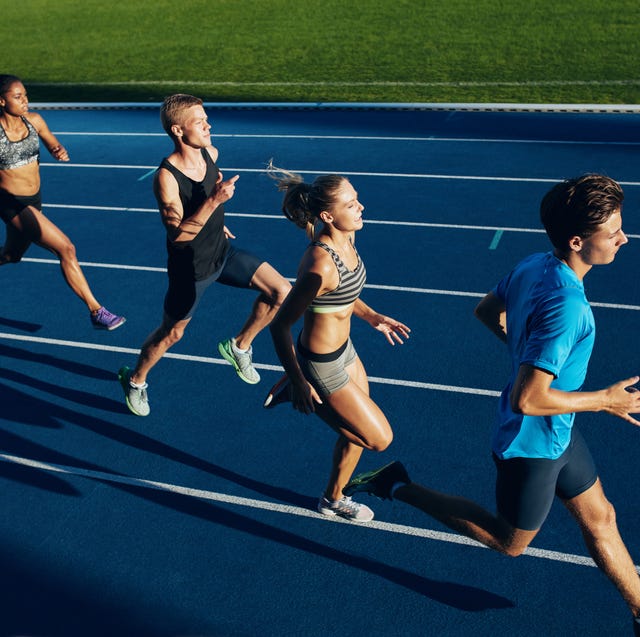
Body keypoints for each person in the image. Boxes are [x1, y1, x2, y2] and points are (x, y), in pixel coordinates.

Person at [343, 174, 640, 633]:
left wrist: (527, 354)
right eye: (614, 231)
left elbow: (485, 310)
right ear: (578, 241)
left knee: (602, 518)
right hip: (531, 446)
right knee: (510, 542)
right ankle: (397, 484)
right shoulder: (568, 307)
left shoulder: (535, 265)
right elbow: (529, 398)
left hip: (559, 428)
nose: (624, 237)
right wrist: (606, 400)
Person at [118, 94, 290, 417]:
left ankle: (239, 346)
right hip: (191, 269)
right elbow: (177, 234)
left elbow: (207, 200)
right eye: (200, 121)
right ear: (178, 131)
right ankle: (136, 380)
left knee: (281, 291)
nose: (208, 125)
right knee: (172, 333)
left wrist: (217, 223)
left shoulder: (211, 153)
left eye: (206, 118)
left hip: (222, 252)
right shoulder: (166, 178)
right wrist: (214, 202)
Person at [265, 165, 410, 522]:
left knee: (355, 436)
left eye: (357, 199)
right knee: (378, 439)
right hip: (319, 363)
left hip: (345, 352)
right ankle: (292, 389)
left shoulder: (349, 237)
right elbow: (280, 325)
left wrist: (371, 316)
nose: (360, 207)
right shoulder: (320, 265)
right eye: (351, 204)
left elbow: (344, 296)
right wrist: (299, 380)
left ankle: (332, 498)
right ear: (328, 215)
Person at [0, 74, 125, 330]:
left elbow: (53, 144)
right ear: (1, 101)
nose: (25, 101)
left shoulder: (33, 121)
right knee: (65, 248)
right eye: (17, 97)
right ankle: (96, 311)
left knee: (12, 255)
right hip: (9, 202)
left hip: (33, 201)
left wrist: (58, 150)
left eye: (25, 95)